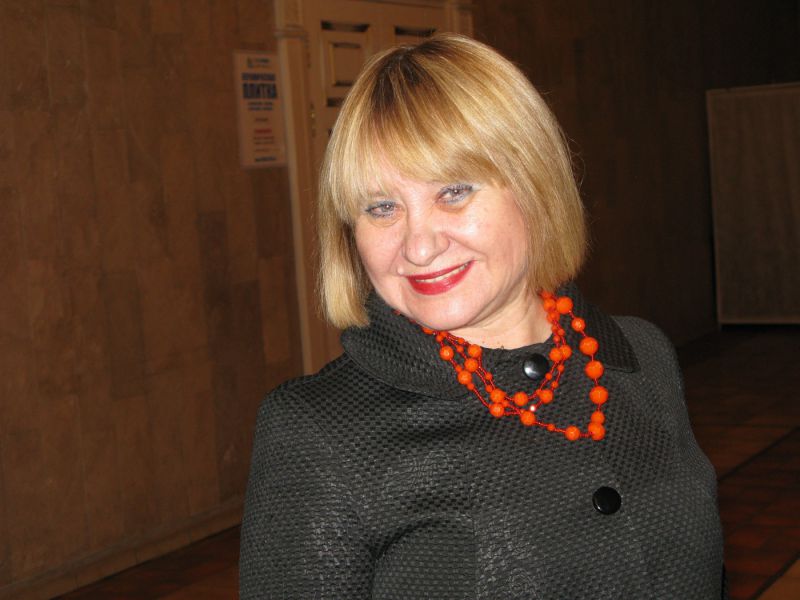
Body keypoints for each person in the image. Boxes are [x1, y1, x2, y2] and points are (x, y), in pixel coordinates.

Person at [240, 33, 725, 599]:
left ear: (534, 184)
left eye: (453, 192)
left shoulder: (640, 356)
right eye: (382, 207)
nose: (419, 245)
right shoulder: (318, 430)